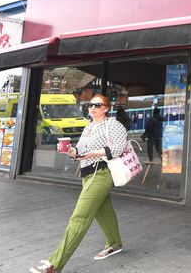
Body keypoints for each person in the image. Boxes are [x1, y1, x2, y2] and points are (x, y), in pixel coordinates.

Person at [30, 94, 128, 273]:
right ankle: (114, 243)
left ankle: (54, 264)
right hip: (88, 174)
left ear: (106, 108)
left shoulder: (113, 124)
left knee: (79, 217)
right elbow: (80, 150)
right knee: (103, 210)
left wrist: (95, 153)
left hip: (102, 172)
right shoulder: (89, 126)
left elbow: (119, 147)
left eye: (97, 105)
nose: (92, 108)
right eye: (90, 105)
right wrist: (70, 150)